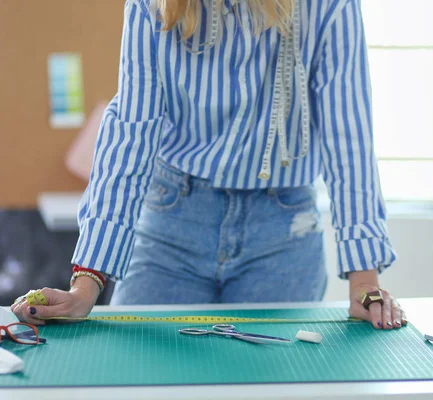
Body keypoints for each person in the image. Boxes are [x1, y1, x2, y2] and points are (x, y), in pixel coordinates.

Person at [12, 0, 406, 330]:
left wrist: (364, 281)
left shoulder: (328, 6)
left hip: (284, 233)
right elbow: (131, 131)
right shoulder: (152, 5)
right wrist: (87, 283)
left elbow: (347, 134)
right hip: (172, 221)